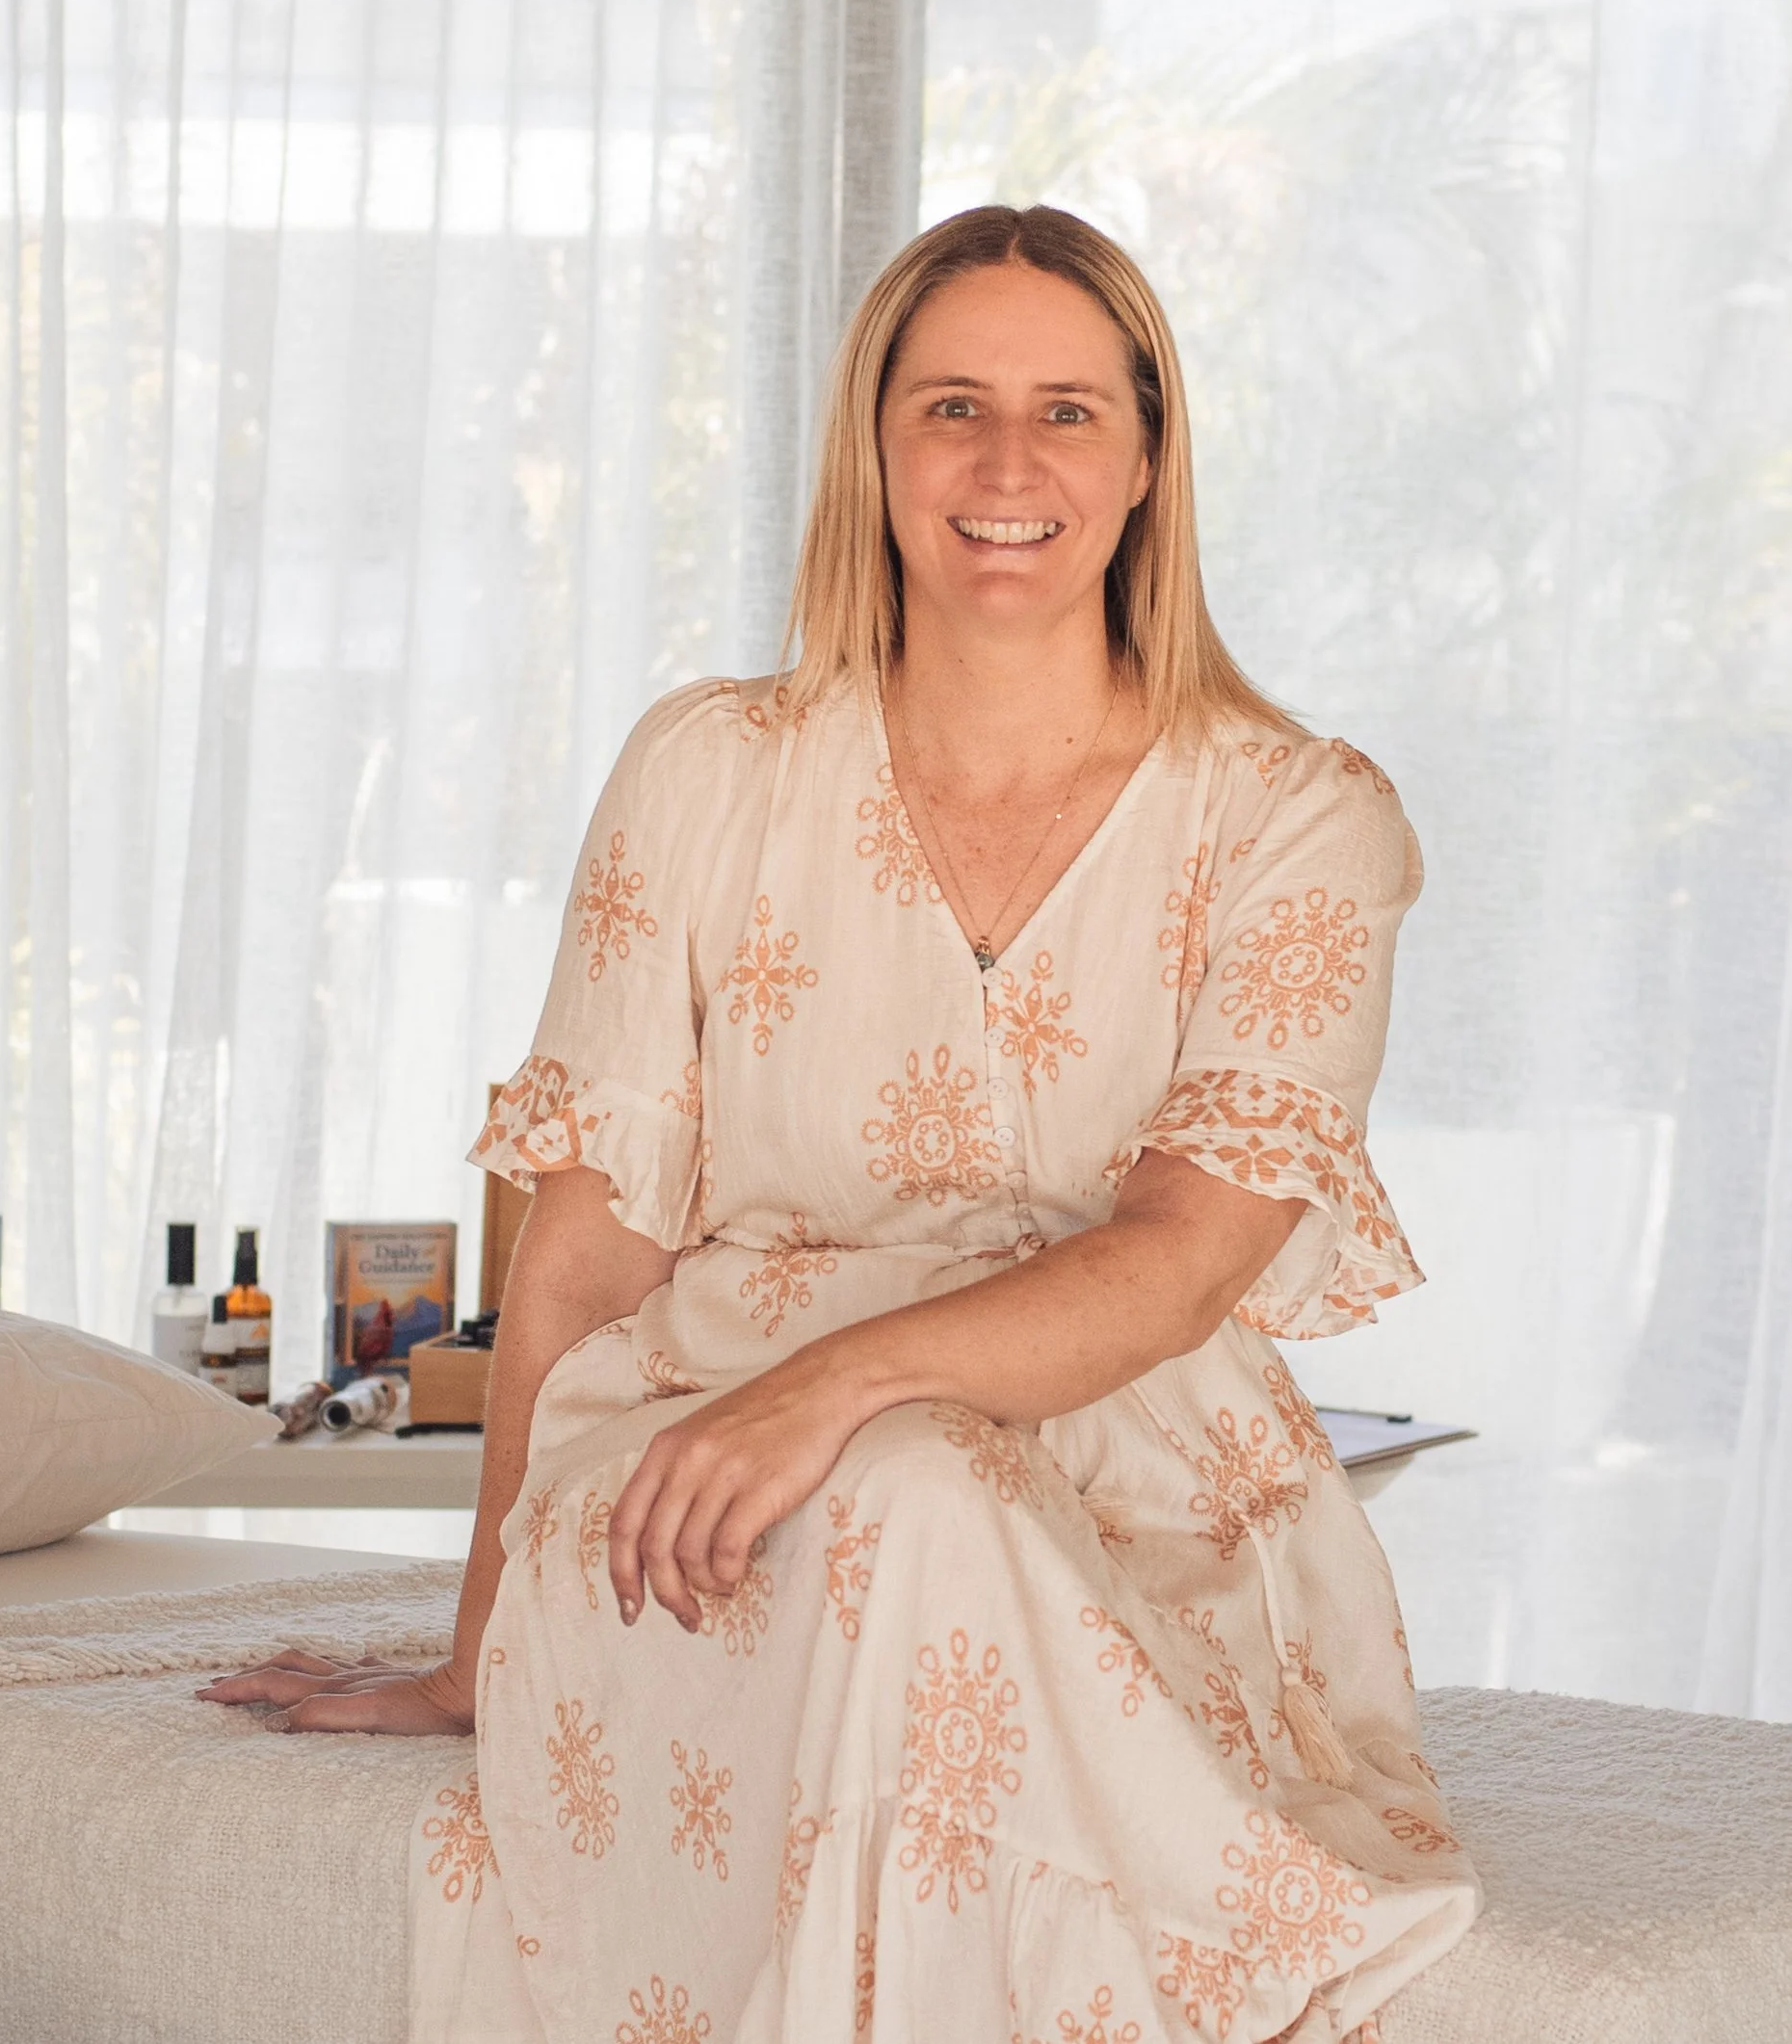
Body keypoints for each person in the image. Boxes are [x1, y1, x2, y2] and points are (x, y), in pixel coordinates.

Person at [201, 203, 1481, 2043]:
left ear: (1147, 462)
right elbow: (583, 1263)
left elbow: (1186, 1261)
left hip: (1127, 1508)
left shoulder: (1297, 817)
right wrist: (486, 1651)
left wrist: (835, 1392)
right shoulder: (709, 770)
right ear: (873, 450)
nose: (1007, 466)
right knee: (907, 1494)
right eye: (952, 406)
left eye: (1067, 412)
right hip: (685, 1485)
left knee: (919, 1483)